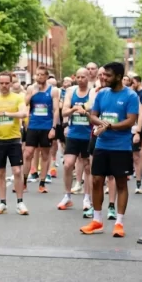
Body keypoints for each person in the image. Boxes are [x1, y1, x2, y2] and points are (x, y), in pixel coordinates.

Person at [81, 62, 139, 237]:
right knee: (97, 180)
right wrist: (101, 124)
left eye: (108, 75)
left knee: (121, 183)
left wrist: (111, 126)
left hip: (121, 147)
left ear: (119, 77)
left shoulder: (130, 96)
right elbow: (93, 115)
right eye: (103, 74)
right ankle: (97, 220)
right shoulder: (101, 94)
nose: (103, 78)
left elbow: (130, 121)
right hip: (101, 145)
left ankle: (119, 223)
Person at [0, 71, 29, 215]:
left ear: (11, 83)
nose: (4, 86)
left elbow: (23, 114)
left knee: (17, 171)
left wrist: (7, 114)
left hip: (14, 139)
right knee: (0, 172)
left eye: (6, 83)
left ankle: (20, 202)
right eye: (1, 83)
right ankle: (2, 202)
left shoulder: (18, 98)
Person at [59, 68, 95, 214]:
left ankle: (87, 198)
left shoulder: (93, 92)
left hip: (88, 135)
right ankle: (67, 195)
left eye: (83, 77)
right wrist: (75, 109)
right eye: (78, 77)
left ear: (88, 77)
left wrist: (85, 112)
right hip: (73, 134)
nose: (80, 80)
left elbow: (95, 112)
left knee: (87, 167)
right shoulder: (71, 92)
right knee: (68, 165)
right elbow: (64, 111)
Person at [23, 66, 59, 194]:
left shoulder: (53, 90)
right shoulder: (31, 88)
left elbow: (55, 110)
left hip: (46, 126)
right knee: (28, 153)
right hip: (33, 125)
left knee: (45, 154)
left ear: (46, 76)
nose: (39, 77)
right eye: (37, 75)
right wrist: (32, 94)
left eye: (42, 75)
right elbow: (24, 104)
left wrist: (53, 128)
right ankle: (24, 182)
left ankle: (42, 183)